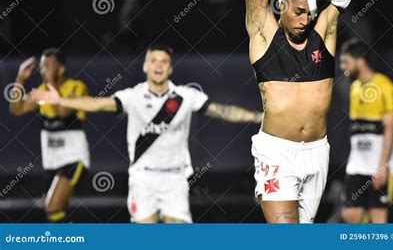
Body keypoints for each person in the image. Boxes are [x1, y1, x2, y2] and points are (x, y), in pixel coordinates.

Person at [245, 0, 372, 223]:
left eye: (310, 13)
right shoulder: (262, 33)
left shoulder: (323, 33)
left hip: (318, 152)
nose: (306, 18)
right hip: (277, 153)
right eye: (299, 12)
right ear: (281, 5)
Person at [32, 43, 262, 223]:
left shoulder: (185, 96)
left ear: (170, 68)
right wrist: (61, 100)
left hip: (175, 179)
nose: (158, 65)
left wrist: (258, 116)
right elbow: (96, 103)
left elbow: (222, 111)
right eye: (153, 61)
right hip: (143, 179)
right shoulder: (132, 96)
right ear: (145, 66)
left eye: (164, 61)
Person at [9, 48, 89, 223]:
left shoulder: (76, 87)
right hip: (52, 162)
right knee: (55, 210)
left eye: (48, 65)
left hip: (73, 159)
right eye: (42, 65)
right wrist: (20, 79)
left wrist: (52, 86)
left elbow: (63, 112)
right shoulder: (41, 91)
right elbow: (16, 109)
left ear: (61, 69)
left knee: (52, 205)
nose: (43, 70)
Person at [339, 38, 393, 223]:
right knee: (350, 215)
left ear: (360, 61)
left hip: (379, 165)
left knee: (378, 218)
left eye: (345, 61)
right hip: (356, 165)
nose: (342, 67)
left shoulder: (385, 86)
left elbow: (390, 128)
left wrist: (382, 166)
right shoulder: (354, 88)